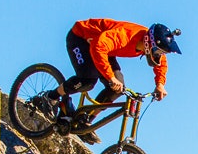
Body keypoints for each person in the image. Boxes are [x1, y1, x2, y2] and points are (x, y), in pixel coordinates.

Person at [38, 19, 181, 144]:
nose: (160, 56)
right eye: (159, 52)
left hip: (105, 48)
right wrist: (110, 77)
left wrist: (160, 85)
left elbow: (161, 64)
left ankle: (85, 120)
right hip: (81, 38)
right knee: (88, 80)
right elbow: (98, 47)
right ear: (149, 43)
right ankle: (50, 97)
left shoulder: (148, 42)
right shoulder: (125, 36)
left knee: (117, 89)